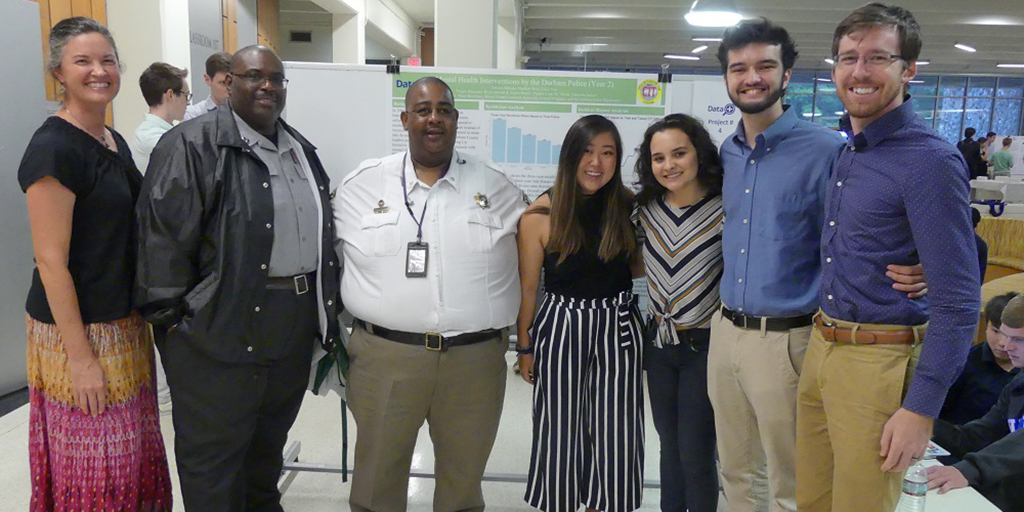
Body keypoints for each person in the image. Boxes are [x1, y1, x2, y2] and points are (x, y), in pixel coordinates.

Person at [710, 18, 925, 512]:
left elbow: (906, 221)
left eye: (765, 66)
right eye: (738, 68)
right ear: (726, 78)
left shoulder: (829, 150)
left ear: (788, 76)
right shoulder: (728, 152)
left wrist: (926, 269)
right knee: (737, 472)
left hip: (789, 340)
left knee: (794, 480)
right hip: (725, 335)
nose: (751, 77)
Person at [136, 45, 342, 510]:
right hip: (216, 332)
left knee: (265, 454)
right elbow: (161, 247)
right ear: (228, 83)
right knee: (215, 463)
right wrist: (183, 328)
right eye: (253, 76)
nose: (267, 86)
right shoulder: (190, 145)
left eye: (276, 78)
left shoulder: (298, 148)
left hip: (289, 327)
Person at [797, 4, 982, 511]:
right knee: (811, 499)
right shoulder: (848, 152)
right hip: (823, 346)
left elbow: (960, 301)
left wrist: (921, 409)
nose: (859, 71)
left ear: (909, 70)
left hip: (878, 363)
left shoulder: (929, 160)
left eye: (878, 57)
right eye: (848, 57)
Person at [334, 76, 526, 512]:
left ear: (456, 120)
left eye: (443, 110)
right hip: (385, 358)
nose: (433, 118)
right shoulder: (360, 186)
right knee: (375, 485)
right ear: (405, 119)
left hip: (474, 363)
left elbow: (537, 254)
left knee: (462, 488)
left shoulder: (497, 187)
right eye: (422, 110)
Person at [18, 16, 171, 510]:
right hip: (77, 334)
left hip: (123, 326)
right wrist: (82, 359)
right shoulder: (53, 147)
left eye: (107, 60)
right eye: (82, 61)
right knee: (96, 470)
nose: (99, 71)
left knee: (132, 462)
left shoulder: (112, 140)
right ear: (58, 72)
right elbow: (50, 261)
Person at [517, 114, 645, 512]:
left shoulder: (628, 206)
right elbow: (529, 288)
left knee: (616, 430)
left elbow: (639, 267)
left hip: (618, 324)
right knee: (560, 428)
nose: (596, 163)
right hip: (560, 324)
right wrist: (525, 347)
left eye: (608, 153)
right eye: (588, 151)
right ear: (571, 155)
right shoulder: (540, 215)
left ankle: (603, 506)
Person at [633, 114, 724, 512]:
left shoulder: (727, 207)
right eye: (658, 158)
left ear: (698, 154)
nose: (668, 165)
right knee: (668, 448)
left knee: (696, 452)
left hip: (705, 347)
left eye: (678, 153)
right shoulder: (646, 210)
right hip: (659, 344)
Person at [929, 293, 1024, 512]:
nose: (1006, 345)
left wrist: (970, 469)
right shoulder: (1019, 381)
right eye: (1002, 334)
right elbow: (983, 433)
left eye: (1018, 339)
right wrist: (922, 425)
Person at [940, 292, 1020, 425]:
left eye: (1013, 336)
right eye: (996, 331)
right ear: (985, 326)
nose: (1003, 343)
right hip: (961, 438)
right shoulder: (964, 361)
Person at [130, 63, 189, 174]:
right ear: (170, 95)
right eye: (186, 95)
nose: (188, 102)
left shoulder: (162, 131)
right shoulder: (152, 137)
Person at [182, 51, 230, 121]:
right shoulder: (193, 115)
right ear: (207, 79)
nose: (229, 88)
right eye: (223, 83)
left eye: (231, 82)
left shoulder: (244, 114)